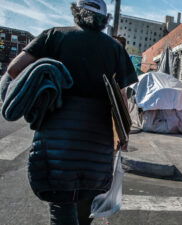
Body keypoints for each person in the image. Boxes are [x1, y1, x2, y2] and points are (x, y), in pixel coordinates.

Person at [6, 0, 138, 224]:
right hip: (98, 140)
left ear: (77, 13)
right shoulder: (115, 48)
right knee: (88, 199)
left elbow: (14, 69)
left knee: (62, 205)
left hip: (57, 137)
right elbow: (121, 98)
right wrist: (123, 136)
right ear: (104, 20)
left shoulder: (54, 35)